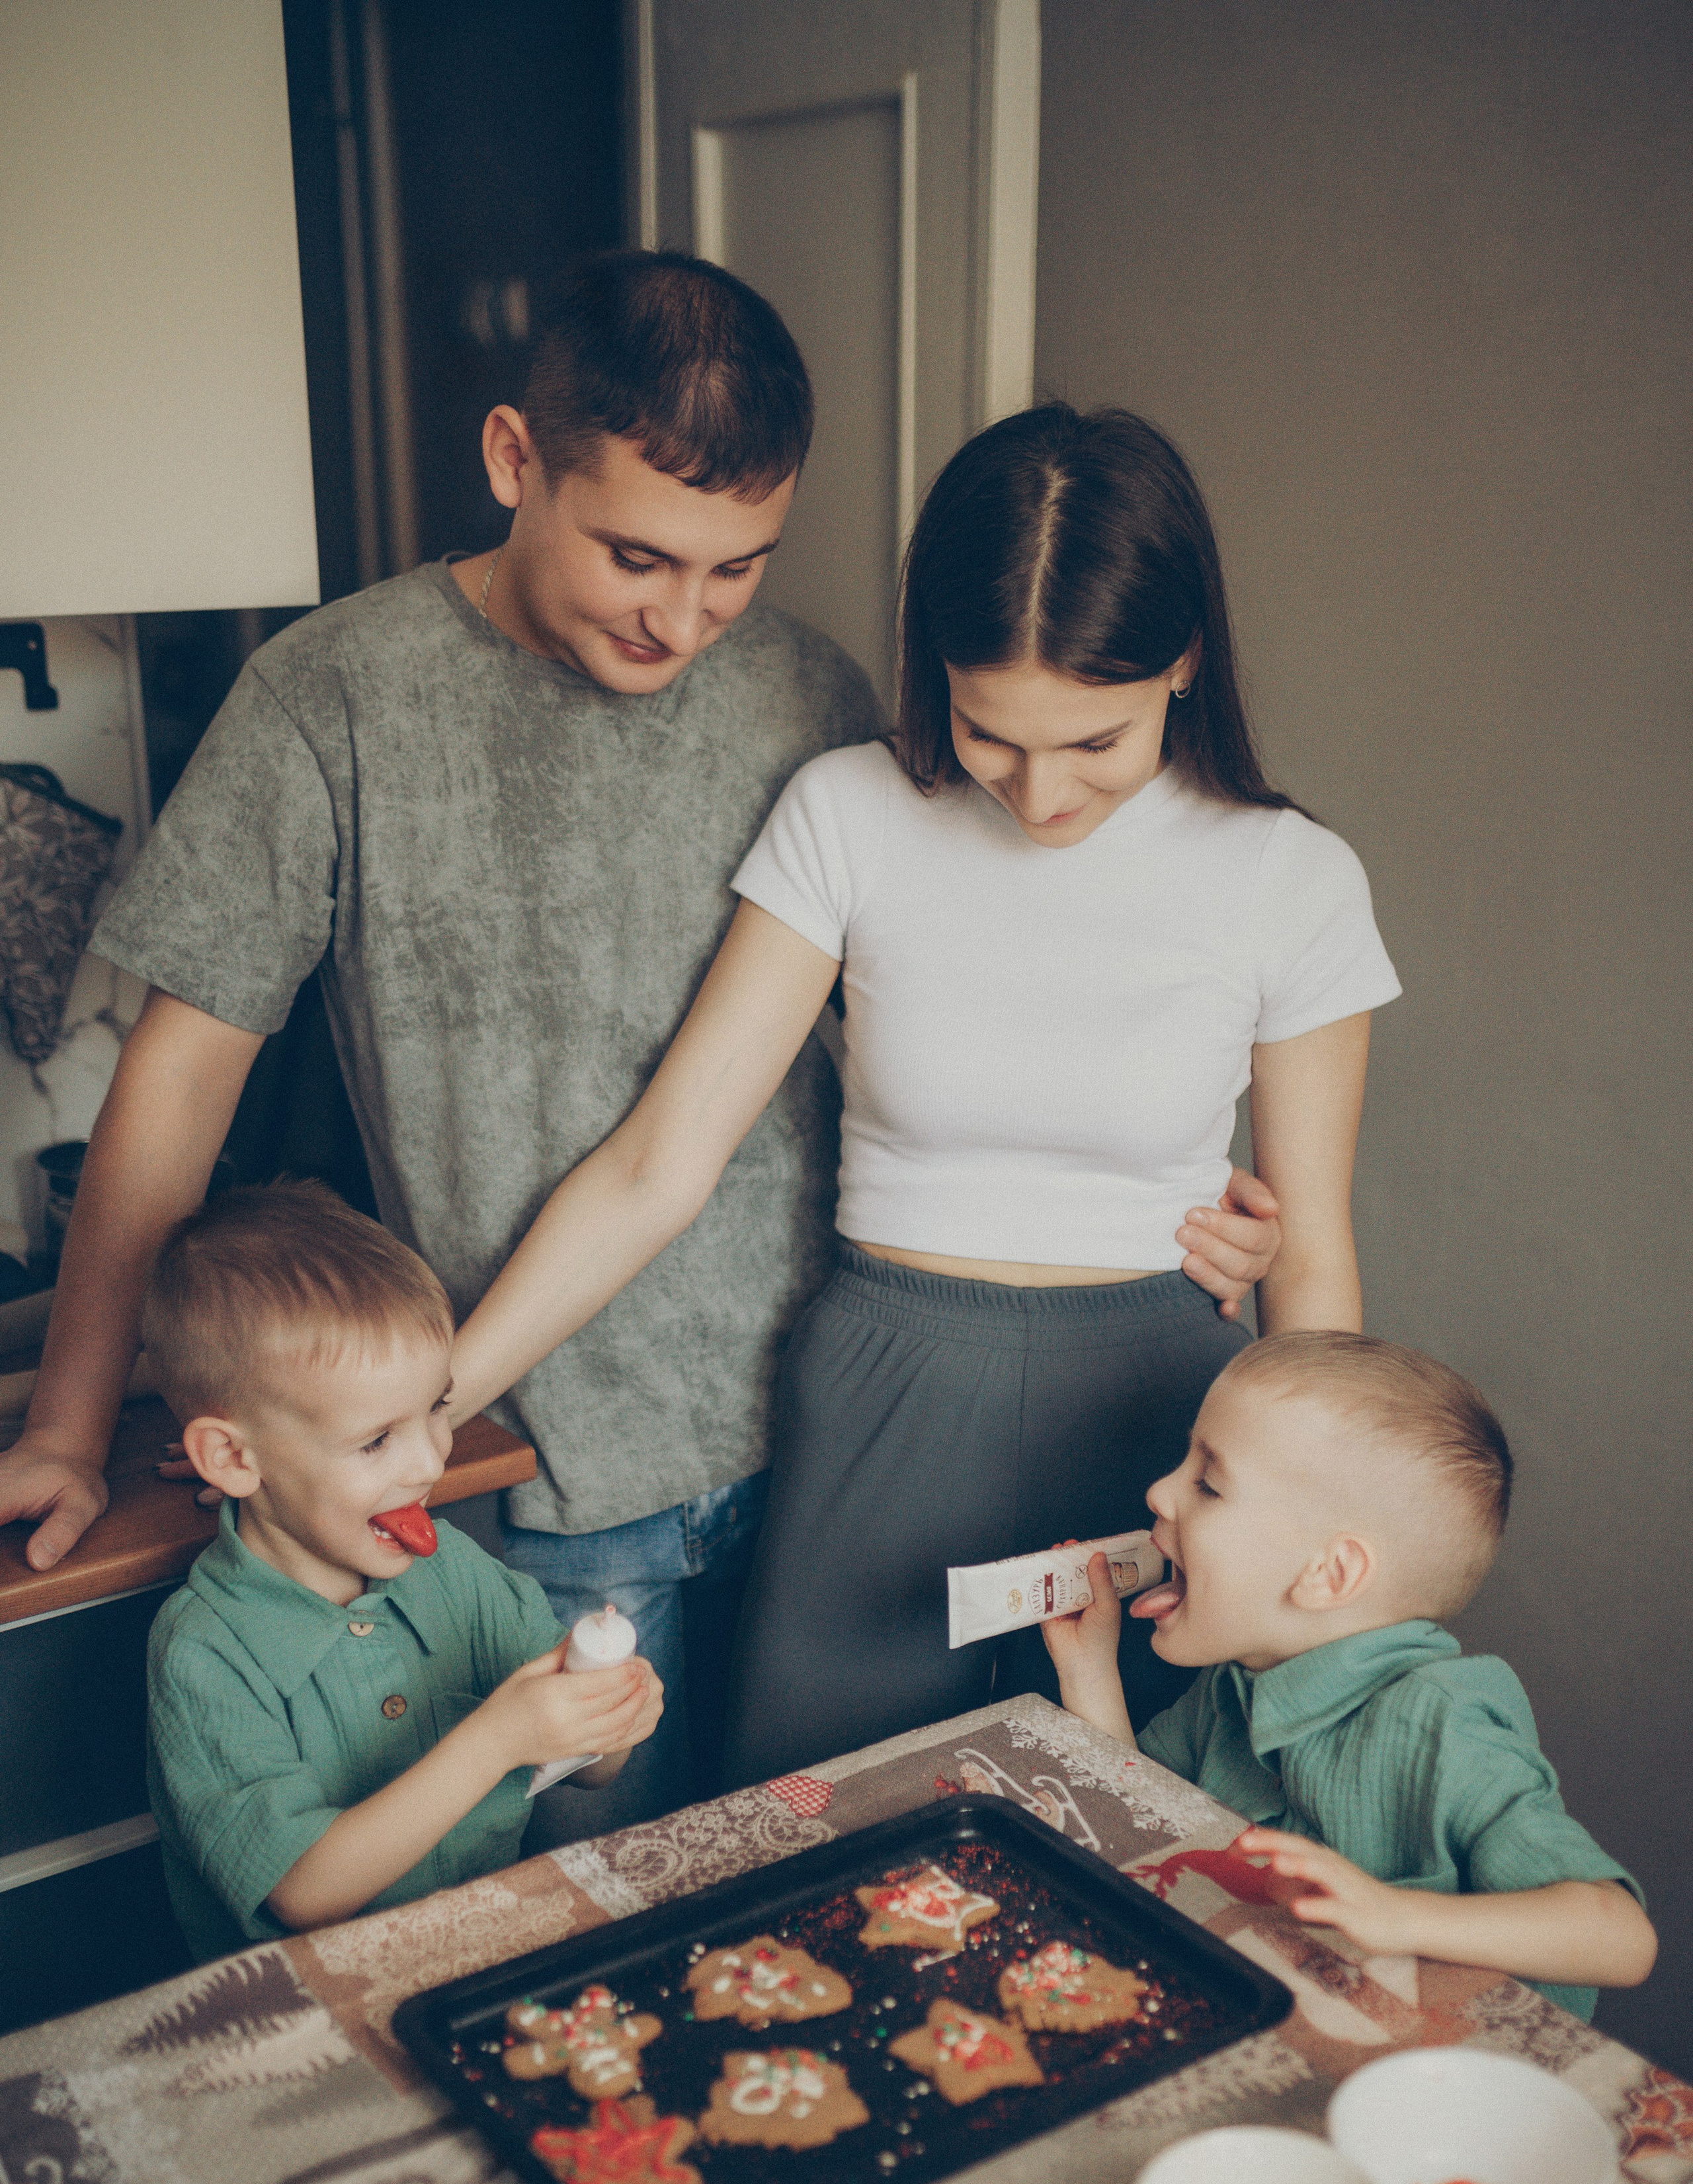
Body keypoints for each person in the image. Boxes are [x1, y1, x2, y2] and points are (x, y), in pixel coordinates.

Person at [0, 249, 893, 1839]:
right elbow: (178, 1077)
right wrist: (72, 1421)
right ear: (511, 461)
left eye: (736, 566)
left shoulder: (813, 691)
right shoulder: (327, 695)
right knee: (561, 1935)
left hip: (823, 1429)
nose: (683, 617)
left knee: (803, 1896)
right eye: (636, 552)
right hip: (520, 1464)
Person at [447, 403, 1382, 1783]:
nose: (1039, 795)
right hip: (885, 1383)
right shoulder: (848, 812)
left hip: (1163, 1414)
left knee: (1136, 1841)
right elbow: (661, 1160)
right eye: (993, 734)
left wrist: (1332, 1576)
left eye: (1094, 744)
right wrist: (437, 1397)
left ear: (1181, 660)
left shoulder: (1291, 877)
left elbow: (1310, 1261)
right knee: (821, 1828)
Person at [1044, 1331, 1656, 2019]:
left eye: (1208, 1483)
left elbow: (1620, 1936)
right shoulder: (1235, 1683)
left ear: (1328, 1575)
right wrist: (1089, 1666)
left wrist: (1396, 1915)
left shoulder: (1440, 1721)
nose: (1159, 1491)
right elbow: (1136, 1821)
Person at [140, 1183, 663, 1964]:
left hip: (480, 1955)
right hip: (303, 2011)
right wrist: (496, 1739)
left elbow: (586, 1772)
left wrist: (606, 1716)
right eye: (376, 1439)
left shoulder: (455, 1572)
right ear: (234, 1458)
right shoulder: (202, 1652)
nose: (429, 1461)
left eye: (436, 1408)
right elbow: (304, 1892)